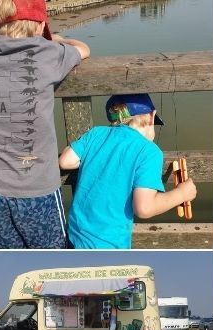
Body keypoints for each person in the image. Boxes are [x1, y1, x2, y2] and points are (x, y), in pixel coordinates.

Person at [0, 0, 90, 248]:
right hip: (38, 191)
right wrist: (57, 39)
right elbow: (84, 49)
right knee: (52, 253)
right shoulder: (48, 53)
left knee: (7, 252)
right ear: (41, 25)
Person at [59, 94, 197, 248]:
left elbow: (65, 161)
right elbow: (144, 208)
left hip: (74, 237)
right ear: (152, 116)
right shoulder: (149, 151)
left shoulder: (96, 133)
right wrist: (182, 194)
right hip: (108, 245)